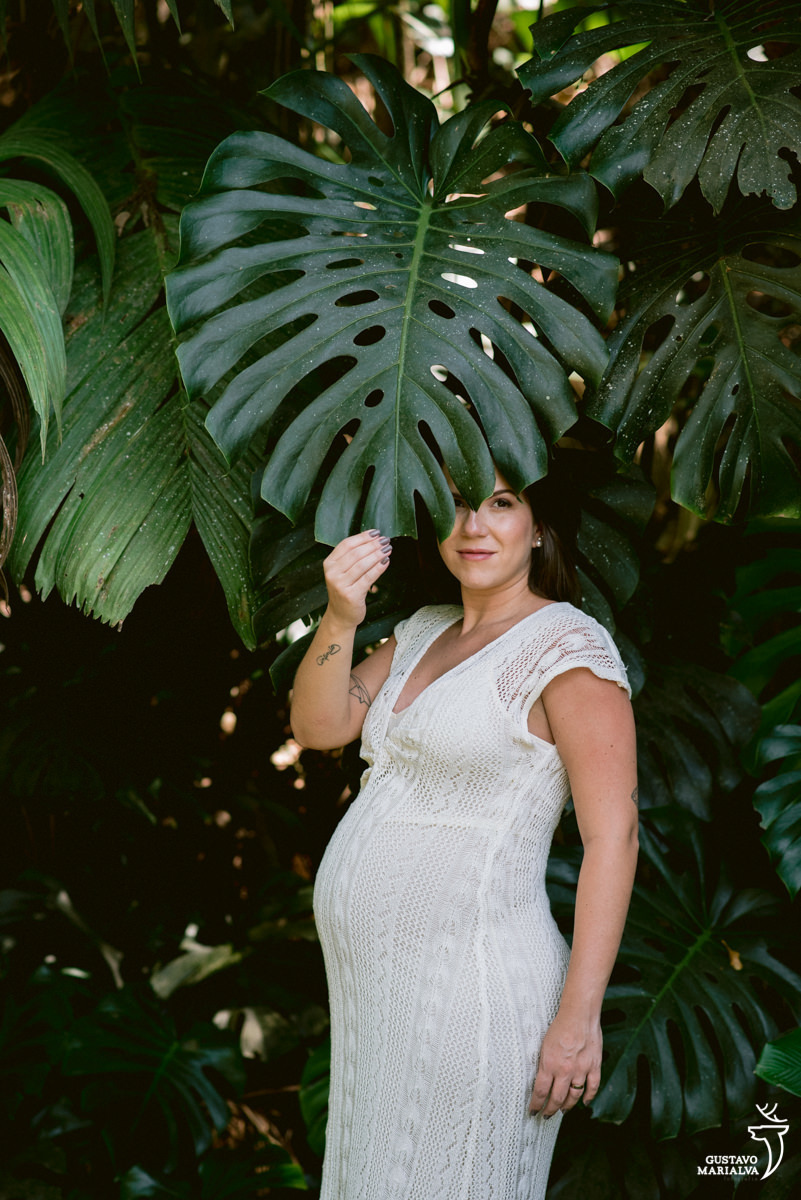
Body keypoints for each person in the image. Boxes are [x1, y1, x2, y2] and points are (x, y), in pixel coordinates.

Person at [290, 466, 639, 1200]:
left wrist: (577, 1020)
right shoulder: (421, 632)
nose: (473, 526)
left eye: (501, 504)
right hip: (377, 1001)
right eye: (455, 505)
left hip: (472, 997)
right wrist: (341, 616)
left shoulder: (564, 649)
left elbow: (614, 837)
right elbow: (317, 726)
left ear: (538, 526)